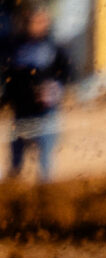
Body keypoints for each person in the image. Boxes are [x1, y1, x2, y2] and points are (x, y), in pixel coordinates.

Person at [3, 12, 72, 181]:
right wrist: (7, 97)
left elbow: (67, 73)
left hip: (45, 110)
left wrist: (55, 89)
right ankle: (14, 186)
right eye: (33, 22)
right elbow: (8, 75)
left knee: (45, 157)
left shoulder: (54, 47)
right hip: (22, 108)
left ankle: (45, 187)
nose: (36, 26)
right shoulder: (15, 46)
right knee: (17, 155)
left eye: (41, 22)